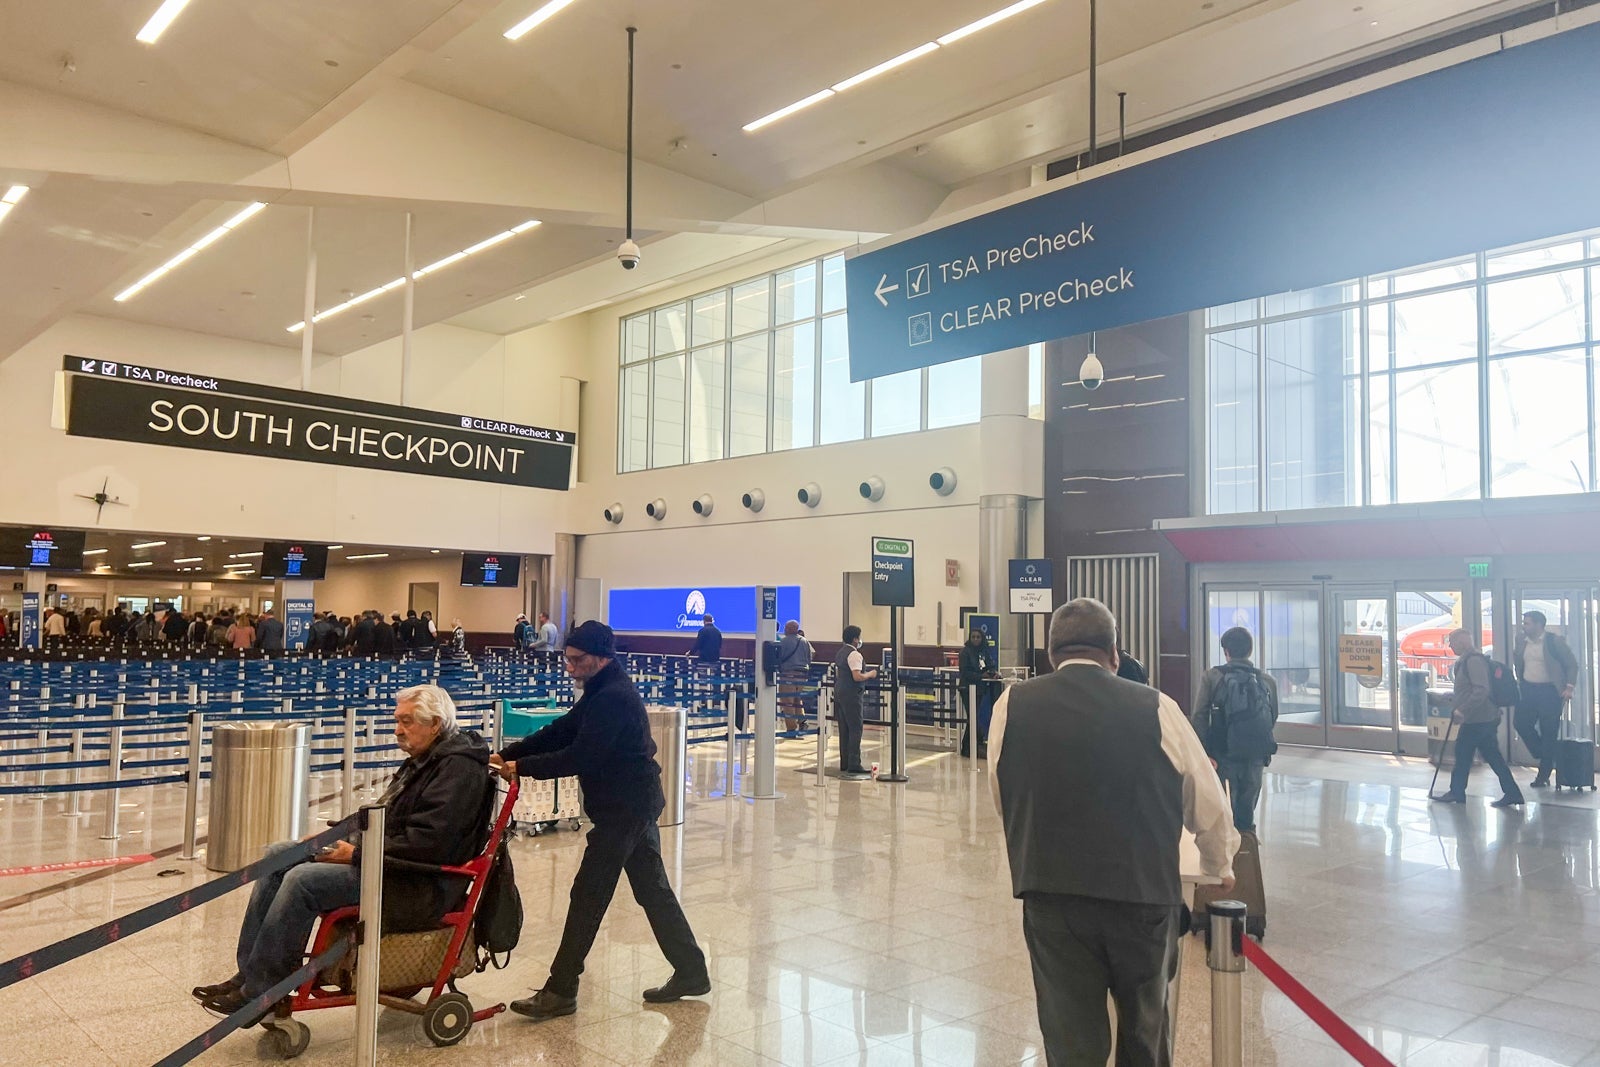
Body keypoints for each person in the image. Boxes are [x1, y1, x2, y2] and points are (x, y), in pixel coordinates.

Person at [989, 598, 1237, 1067]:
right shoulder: (1157, 707)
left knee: (1071, 1041)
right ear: (1115, 653)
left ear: (1050, 654)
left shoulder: (1011, 705)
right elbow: (1207, 803)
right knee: (1144, 1033)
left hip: (1051, 896)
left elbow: (1003, 797)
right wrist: (1217, 865)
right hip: (1142, 898)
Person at [191, 685, 493, 1021]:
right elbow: (383, 815)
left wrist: (356, 853)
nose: (398, 730)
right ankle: (250, 975)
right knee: (279, 854)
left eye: (407, 722)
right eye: (397, 721)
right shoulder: (428, 759)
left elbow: (430, 843)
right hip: (391, 864)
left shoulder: (457, 770)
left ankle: (262, 989)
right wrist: (333, 836)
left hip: (419, 884)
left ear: (435, 723)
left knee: (303, 880)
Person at [491, 621, 707, 1020]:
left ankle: (561, 988)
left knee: (588, 893)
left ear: (600, 657)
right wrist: (507, 753)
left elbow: (581, 756)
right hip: (631, 804)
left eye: (577, 660)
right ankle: (692, 970)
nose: (569, 667)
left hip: (625, 808)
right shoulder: (601, 689)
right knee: (653, 890)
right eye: (567, 659)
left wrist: (521, 766)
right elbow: (563, 731)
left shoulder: (614, 697)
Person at [1191, 627, 1279, 834]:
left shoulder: (1212, 677)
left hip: (1222, 755)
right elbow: (1272, 716)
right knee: (1247, 813)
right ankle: (1247, 856)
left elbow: (1199, 716)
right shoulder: (1267, 681)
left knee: (1223, 813)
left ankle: (1226, 860)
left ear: (1226, 652)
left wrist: (1203, 752)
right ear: (1250, 651)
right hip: (1256, 755)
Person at [1432, 629, 1525, 807]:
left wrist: (1463, 710)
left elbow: (1481, 689)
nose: (1450, 646)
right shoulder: (1467, 660)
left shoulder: (1473, 661)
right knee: (1490, 756)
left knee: (1463, 753)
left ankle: (1457, 792)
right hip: (1481, 717)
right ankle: (1512, 793)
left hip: (1479, 719)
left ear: (1463, 642)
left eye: (1452, 642)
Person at [1513, 609, 1579, 789]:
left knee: (1548, 730)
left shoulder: (1553, 641)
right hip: (1528, 688)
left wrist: (1569, 687)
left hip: (1550, 690)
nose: (1524, 627)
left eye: (1527, 623)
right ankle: (1543, 752)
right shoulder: (1521, 641)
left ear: (1538, 624)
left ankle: (1543, 774)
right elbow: (1518, 660)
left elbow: (1571, 664)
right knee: (1521, 723)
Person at [832, 625, 878, 780]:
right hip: (852, 694)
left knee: (844, 728)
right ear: (855, 639)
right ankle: (854, 763)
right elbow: (857, 676)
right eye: (859, 637)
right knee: (855, 727)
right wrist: (870, 674)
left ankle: (845, 762)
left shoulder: (840, 653)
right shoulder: (854, 654)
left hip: (839, 691)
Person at [957, 628, 1001, 758]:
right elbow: (965, 672)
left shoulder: (984, 652)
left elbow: (990, 665)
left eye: (978, 637)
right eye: (973, 637)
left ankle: (968, 747)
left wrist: (993, 673)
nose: (976, 639)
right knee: (973, 717)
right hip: (967, 689)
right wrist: (981, 676)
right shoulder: (965, 653)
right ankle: (972, 745)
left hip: (980, 689)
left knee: (973, 717)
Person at [774, 620, 813, 733]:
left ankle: (791, 728)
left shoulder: (784, 642)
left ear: (789, 629)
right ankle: (802, 721)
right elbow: (809, 658)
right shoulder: (805, 641)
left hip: (788, 674)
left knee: (787, 702)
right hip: (802, 675)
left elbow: (779, 657)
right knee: (797, 698)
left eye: (786, 628)